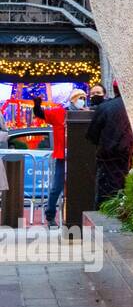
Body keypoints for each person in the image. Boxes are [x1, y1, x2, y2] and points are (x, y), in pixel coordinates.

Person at [31, 89, 81, 228]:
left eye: (83, 97)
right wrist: (37, 105)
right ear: (72, 99)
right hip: (62, 156)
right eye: (79, 97)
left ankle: (77, 216)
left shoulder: (85, 113)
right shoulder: (59, 112)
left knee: (78, 187)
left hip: (79, 156)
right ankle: (50, 215)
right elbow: (40, 114)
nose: (81, 100)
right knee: (57, 187)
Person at [86, 84, 133, 207]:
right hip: (132, 158)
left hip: (108, 161)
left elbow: (92, 135)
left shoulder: (105, 108)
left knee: (106, 199)